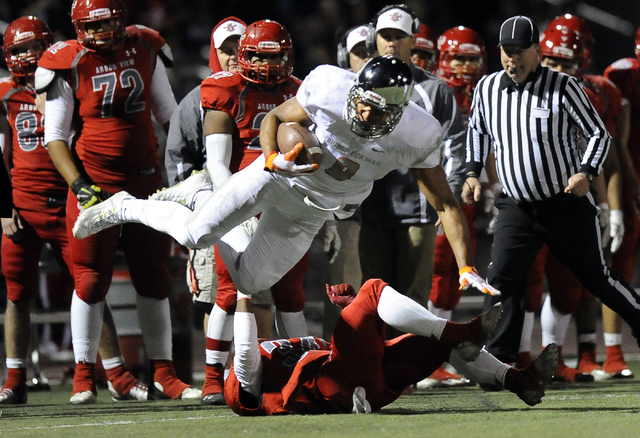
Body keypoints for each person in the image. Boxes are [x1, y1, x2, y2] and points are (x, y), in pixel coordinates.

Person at [72, 54, 502, 347]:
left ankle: (200, 195)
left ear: (398, 112)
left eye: (377, 109)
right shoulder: (330, 88)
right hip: (276, 176)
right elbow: (277, 117)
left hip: (312, 213)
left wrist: (465, 264)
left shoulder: (418, 134)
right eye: (363, 103)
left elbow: (445, 205)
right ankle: (123, 205)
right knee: (195, 234)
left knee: (250, 282)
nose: (365, 114)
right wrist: (273, 155)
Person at [34, 0, 199, 403]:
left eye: (109, 20)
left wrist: (185, 172)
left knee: (154, 275)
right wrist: (78, 183)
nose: (104, 30)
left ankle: (165, 373)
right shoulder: (66, 60)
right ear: (76, 27)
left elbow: (169, 115)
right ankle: (83, 377)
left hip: (144, 179)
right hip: (95, 182)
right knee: (90, 279)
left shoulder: (144, 45)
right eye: (95, 24)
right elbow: (54, 135)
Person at [462, 15, 640, 367]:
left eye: (519, 51)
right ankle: (499, 359)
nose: (512, 59)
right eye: (506, 51)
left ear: (537, 51)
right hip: (515, 205)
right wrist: (471, 172)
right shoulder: (487, 88)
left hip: (564, 203)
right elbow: (479, 132)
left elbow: (598, 135)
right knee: (500, 280)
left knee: (597, 279)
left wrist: (586, 172)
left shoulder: (564, 87)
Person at [0, 15, 146, 404]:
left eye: (36, 46)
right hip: (23, 207)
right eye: (20, 49)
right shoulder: (4, 93)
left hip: (71, 201)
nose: (29, 55)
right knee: (17, 293)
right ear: (8, 55)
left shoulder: (70, 78)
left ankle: (116, 373)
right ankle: (14, 378)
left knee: (90, 286)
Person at [182, 19, 322, 405]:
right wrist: (236, 207)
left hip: (287, 200)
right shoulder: (224, 89)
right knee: (230, 290)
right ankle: (213, 378)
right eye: (259, 54)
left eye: (274, 55)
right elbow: (217, 163)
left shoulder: (300, 92)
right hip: (238, 195)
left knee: (290, 290)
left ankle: (299, 373)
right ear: (244, 55)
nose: (267, 63)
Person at [223, 280, 557, 415]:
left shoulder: (272, 351)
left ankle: (518, 381)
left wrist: (351, 306)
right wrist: (244, 290)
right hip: (338, 388)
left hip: (364, 385)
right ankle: (462, 332)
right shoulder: (242, 379)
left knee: (430, 341)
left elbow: (346, 352)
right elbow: (246, 354)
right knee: (374, 289)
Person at [358, 5, 467, 388]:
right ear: (376, 38)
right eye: (385, 35)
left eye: (398, 36)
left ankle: (411, 366)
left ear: (412, 40)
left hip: (417, 204)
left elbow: (455, 142)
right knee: (373, 292)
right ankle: (377, 364)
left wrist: (446, 195)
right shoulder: (360, 80)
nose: (391, 42)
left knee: (413, 294)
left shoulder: (434, 89)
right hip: (369, 203)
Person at [602, 25, 640, 380]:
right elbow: (619, 142)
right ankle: (612, 351)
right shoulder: (624, 75)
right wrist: (632, 182)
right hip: (631, 181)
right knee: (619, 263)